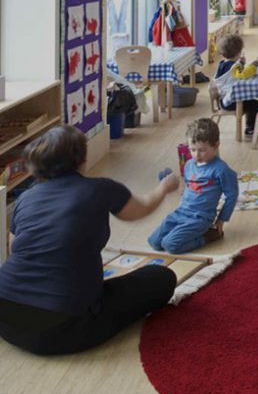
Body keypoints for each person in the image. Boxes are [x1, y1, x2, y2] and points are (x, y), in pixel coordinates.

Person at [0, 125, 178, 355]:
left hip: (6, 319)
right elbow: (141, 208)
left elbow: (14, 247)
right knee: (162, 277)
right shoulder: (99, 189)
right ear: (81, 160)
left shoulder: (26, 197)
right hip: (61, 329)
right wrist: (164, 188)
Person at [149, 118, 239, 253]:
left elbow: (232, 194)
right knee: (154, 242)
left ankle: (207, 236)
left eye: (202, 150)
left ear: (216, 145)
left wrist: (221, 219)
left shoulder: (221, 169)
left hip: (200, 218)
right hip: (181, 212)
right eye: (192, 149)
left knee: (170, 245)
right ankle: (184, 233)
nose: (196, 155)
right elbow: (187, 186)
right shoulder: (189, 164)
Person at [212, 34, 258, 137]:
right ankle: (251, 128)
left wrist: (241, 63)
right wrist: (254, 65)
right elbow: (243, 75)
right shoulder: (234, 66)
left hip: (223, 99)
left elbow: (234, 74)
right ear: (239, 53)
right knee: (254, 104)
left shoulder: (223, 64)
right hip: (231, 101)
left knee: (252, 103)